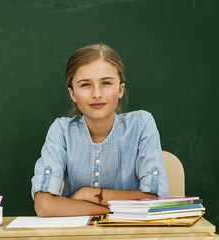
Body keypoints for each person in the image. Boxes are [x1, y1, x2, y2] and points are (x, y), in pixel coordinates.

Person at [31, 44, 169, 217]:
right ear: (72, 93)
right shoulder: (61, 130)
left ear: (120, 89)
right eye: (85, 84)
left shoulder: (142, 124)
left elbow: (155, 201)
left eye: (106, 83)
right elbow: (44, 206)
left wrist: (88, 194)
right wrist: (111, 211)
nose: (97, 93)